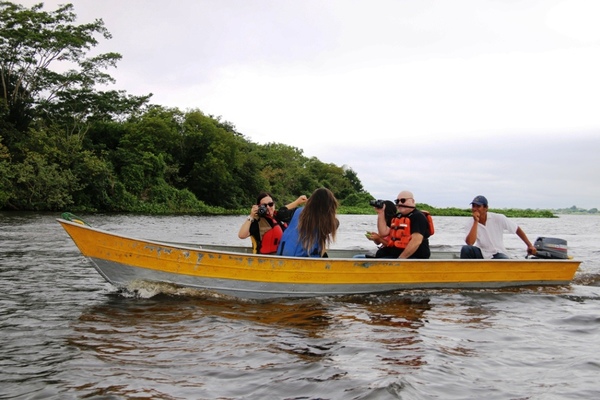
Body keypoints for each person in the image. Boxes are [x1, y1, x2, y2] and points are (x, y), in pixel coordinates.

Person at [460, 195, 537, 259]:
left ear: (486, 208)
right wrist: (476, 221)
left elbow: (516, 229)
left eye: (478, 206)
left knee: (504, 261)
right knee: (466, 249)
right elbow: (470, 242)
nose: (475, 209)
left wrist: (529, 245)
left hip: (497, 253)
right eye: (473, 206)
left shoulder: (498, 218)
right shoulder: (470, 223)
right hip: (482, 252)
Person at [276, 187, 339, 257]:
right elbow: (336, 224)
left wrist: (297, 202)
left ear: (311, 201)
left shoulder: (296, 212)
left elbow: (281, 213)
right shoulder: (328, 223)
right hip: (305, 261)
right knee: (323, 255)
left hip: (285, 257)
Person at [238, 192, 307, 254]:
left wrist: (298, 202)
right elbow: (242, 235)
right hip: (264, 260)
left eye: (270, 204)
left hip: (281, 258)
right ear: (259, 207)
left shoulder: (278, 216)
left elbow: (284, 209)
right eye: (264, 205)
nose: (268, 207)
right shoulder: (257, 222)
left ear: (274, 205)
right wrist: (251, 216)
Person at [373, 190, 431, 259]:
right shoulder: (397, 216)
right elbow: (383, 232)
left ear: (412, 201)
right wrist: (381, 213)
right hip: (395, 255)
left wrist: (400, 260)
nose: (400, 203)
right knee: (358, 257)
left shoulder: (418, 216)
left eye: (403, 200)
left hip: (413, 257)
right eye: (397, 201)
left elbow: (416, 241)